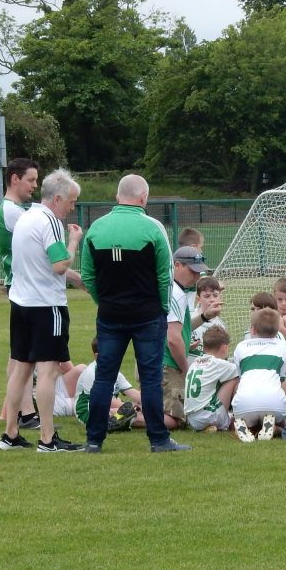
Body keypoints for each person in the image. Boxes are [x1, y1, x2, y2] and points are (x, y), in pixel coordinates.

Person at [80, 173, 191, 454]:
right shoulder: (153, 229)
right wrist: (162, 309)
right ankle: (159, 440)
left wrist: (102, 301)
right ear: (144, 198)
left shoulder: (95, 228)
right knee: (150, 378)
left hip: (109, 315)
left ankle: (94, 440)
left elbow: (88, 276)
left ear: (117, 197)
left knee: (104, 378)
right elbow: (164, 276)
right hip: (147, 316)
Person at [0, 169, 84, 452]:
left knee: (21, 369)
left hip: (21, 305)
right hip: (47, 306)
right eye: (71, 202)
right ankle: (47, 438)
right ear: (57, 198)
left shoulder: (25, 217)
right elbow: (59, 265)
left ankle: (10, 433)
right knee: (48, 371)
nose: (72, 208)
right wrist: (73, 242)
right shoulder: (50, 222)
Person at [0, 158, 41, 427]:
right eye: (31, 180)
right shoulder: (13, 211)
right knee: (23, 355)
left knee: (18, 353)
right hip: (21, 286)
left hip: (18, 285)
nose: (34, 185)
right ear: (15, 179)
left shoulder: (13, 209)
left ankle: (17, 412)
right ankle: (24, 414)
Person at [163, 245, 210, 431]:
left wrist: (205, 316)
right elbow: (173, 339)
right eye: (193, 271)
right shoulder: (175, 293)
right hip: (167, 364)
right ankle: (129, 415)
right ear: (177, 265)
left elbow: (180, 329)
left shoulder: (172, 289)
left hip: (161, 361)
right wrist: (185, 368)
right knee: (175, 420)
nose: (197, 277)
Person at [231, 307, 286, 442]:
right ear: (277, 331)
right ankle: (274, 428)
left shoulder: (241, 346)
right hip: (273, 404)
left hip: (244, 404)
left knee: (244, 412)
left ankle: (244, 427)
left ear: (252, 329)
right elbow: (283, 379)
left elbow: (240, 378)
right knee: (283, 425)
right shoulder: (282, 346)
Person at [183, 327, 240, 432]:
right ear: (224, 347)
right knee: (235, 378)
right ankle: (239, 418)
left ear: (204, 347)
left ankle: (209, 427)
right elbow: (241, 371)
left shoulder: (194, 363)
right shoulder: (218, 363)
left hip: (191, 420)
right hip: (207, 417)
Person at [188, 276, 226, 358]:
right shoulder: (188, 317)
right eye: (207, 296)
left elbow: (222, 356)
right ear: (198, 299)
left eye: (215, 295)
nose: (212, 299)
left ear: (220, 297)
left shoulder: (221, 326)